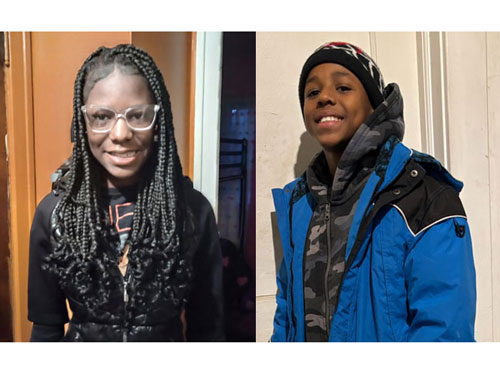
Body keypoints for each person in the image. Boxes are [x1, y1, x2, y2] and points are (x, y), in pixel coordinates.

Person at [271, 41, 476, 342]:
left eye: (342, 87)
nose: (324, 97)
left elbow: (445, 333)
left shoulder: (424, 194)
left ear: (375, 105)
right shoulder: (298, 203)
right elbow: (286, 316)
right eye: (312, 92)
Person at [28, 44, 224, 342]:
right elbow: (45, 328)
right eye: (102, 117)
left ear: (157, 122)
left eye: (137, 115)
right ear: (84, 124)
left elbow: (208, 327)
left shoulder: (192, 211)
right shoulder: (54, 214)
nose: (120, 134)